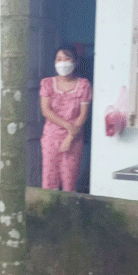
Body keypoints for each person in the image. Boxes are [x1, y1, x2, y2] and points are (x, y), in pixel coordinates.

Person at [40, 44, 92, 191]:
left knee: (70, 180)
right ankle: (48, 211)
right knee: (49, 180)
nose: (62, 63)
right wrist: (69, 126)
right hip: (51, 137)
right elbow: (46, 110)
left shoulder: (83, 85)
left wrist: (70, 138)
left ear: (75, 62)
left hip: (73, 139)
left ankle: (67, 212)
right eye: (59, 59)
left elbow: (83, 114)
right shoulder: (48, 83)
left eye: (67, 58)